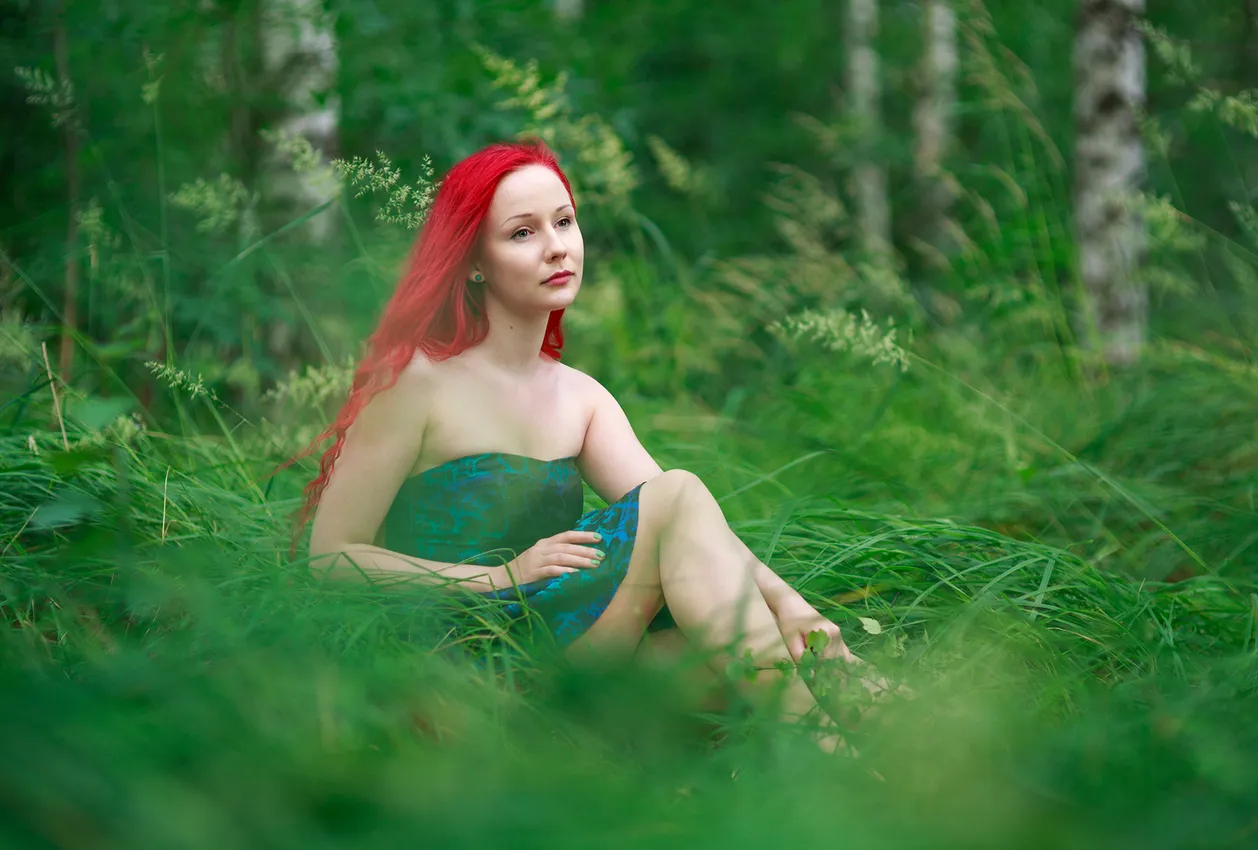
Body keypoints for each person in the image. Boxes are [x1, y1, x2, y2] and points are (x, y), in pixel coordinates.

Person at [288, 140, 872, 752]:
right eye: (522, 233)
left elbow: (698, 534)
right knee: (674, 494)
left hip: (573, 642)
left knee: (742, 659)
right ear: (473, 262)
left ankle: (867, 747)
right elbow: (330, 557)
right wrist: (497, 578)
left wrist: (795, 608)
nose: (557, 246)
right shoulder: (417, 385)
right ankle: (833, 760)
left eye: (564, 221)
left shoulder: (581, 398)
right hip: (473, 661)